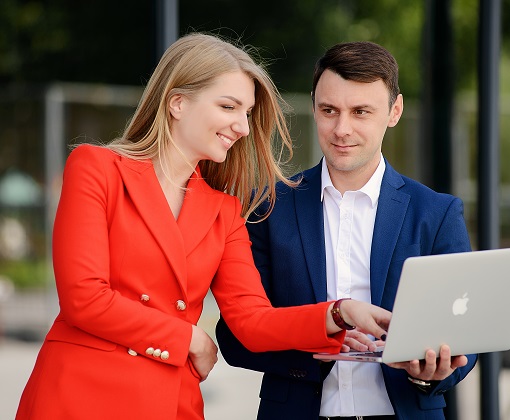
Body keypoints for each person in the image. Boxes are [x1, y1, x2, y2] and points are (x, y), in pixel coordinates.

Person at [15, 33, 392, 420]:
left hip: (169, 400)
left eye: (246, 113)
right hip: (79, 395)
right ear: (177, 102)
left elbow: (251, 320)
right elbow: (84, 299)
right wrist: (185, 337)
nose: (242, 127)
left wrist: (340, 312)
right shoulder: (97, 169)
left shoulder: (224, 211)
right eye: (229, 106)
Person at [216, 41, 478, 419]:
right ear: (313, 107)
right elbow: (235, 337)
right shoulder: (267, 208)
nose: (342, 129)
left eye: (360, 112)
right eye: (329, 110)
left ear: (394, 111)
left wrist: (431, 375)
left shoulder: (436, 213)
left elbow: (466, 332)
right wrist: (320, 345)